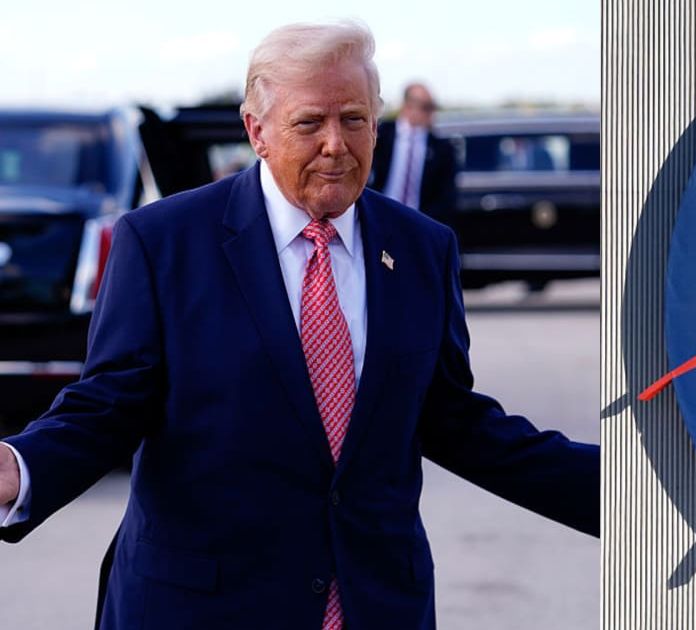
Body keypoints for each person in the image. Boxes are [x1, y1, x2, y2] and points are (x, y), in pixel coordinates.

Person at [0, 21, 598, 630]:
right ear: (256, 130)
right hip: (200, 608)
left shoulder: (422, 248)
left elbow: (455, 419)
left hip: (374, 606)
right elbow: (107, 405)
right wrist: (17, 466)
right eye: (310, 122)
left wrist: (629, 496)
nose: (336, 143)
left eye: (356, 119)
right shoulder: (162, 243)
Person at [370, 82, 458, 223]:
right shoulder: (379, 135)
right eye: (426, 107)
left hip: (418, 222)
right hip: (379, 217)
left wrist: (421, 223)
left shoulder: (442, 148)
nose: (431, 113)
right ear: (407, 106)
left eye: (433, 107)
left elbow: (446, 197)